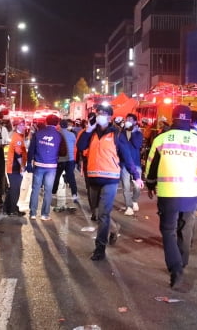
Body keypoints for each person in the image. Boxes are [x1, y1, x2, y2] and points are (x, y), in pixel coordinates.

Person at [144, 104, 197, 289]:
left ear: (172, 117)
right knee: (186, 228)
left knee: (168, 231)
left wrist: (150, 185)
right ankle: (182, 262)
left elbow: (151, 166)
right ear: (190, 120)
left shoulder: (161, 139)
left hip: (168, 194)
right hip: (190, 193)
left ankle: (176, 269)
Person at [77, 104, 143, 261]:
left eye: (103, 113)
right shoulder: (91, 133)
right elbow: (80, 146)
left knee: (104, 214)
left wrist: (136, 176)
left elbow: (127, 156)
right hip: (93, 178)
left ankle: (100, 248)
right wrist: (87, 130)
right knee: (98, 213)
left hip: (110, 179)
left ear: (109, 117)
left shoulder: (117, 134)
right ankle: (114, 228)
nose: (99, 115)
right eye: (98, 113)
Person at [26, 114, 67, 220]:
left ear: (46, 122)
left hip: (39, 165)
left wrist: (29, 163)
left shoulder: (38, 133)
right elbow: (63, 152)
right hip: (51, 166)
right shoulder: (59, 135)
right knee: (48, 191)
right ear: (57, 123)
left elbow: (31, 150)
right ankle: (45, 214)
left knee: (35, 189)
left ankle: (33, 213)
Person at [120, 113, 143, 216]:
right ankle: (128, 206)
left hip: (136, 163)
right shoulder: (121, 133)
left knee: (137, 185)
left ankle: (134, 200)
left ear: (134, 122)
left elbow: (137, 144)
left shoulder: (138, 134)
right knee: (126, 186)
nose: (128, 121)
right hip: (124, 163)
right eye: (127, 119)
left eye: (130, 119)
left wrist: (133, 132)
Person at [52, 119, 79, 204]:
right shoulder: (72, 135)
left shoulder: (57, 134)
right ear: (67, 126)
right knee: (71, 177)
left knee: (56, 176)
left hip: (60, 159)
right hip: (70, 159)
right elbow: (75, 146)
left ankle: (53, 192)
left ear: (59, 125)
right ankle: (74, 194)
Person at [5, 119, 27, 216]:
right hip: (15, 167)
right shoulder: (17, 137)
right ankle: (13, 210)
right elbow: (18, 155)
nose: (24, 126)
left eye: (24, 124)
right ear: (16, 126)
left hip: (13, 166)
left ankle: (8, 208)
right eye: (21, 125)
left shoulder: (16, 136)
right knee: (15, 190)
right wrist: (22, 167)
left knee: (13, 189)